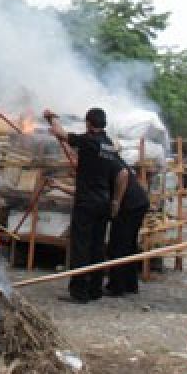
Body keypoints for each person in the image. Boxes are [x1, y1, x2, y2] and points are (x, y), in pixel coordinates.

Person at [43, 106, 119, 303]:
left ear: (88, 123)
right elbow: (84, 158)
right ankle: (95, 289)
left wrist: (51, 118)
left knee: (81, 246)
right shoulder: (108, 145)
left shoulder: (89, 140)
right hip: (103, 201)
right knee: (97, 246)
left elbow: (62, 134)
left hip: (87, 202)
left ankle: (79, 292)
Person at [104, 157, 149, 296]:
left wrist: (116, 202)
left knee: (118, 245)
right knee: (129, 245)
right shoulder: (112, 155)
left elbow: (123, 174)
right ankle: (130, 284)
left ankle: (117, 286)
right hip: (138, 202)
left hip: (129, 205)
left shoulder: (105, 159)